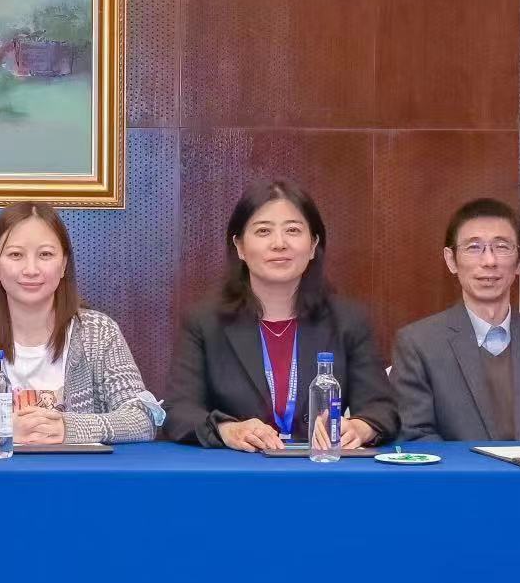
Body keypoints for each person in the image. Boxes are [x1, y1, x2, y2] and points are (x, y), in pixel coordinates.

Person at [163, 179, 397, 450]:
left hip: (322, 467)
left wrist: (360, 427)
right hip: (239, 468)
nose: (279, 243)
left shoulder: (348, 320)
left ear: (313, 244)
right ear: (239, 246)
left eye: (293, 230)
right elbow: (179, 411)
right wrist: (227, 430)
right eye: (263, 231)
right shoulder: (204, 322)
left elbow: (382, 408)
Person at [0, 203, 159, 444]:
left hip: (80, 468)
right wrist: (2, 428)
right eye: (16, 255)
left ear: (63, 264)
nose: (31, 269)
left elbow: (142, 417)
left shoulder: (99, 332)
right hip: (0, 467)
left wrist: (67, 428)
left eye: (45, 254)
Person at [392, 198, 520, 442]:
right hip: (458, 470)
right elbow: (415, 436)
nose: (489, 261)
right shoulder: (419, 344)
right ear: (451, 260)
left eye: (502, 247)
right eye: (474, 247)